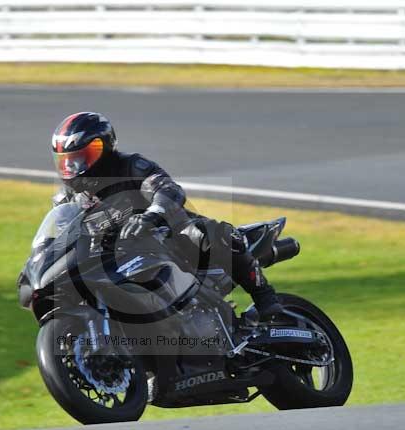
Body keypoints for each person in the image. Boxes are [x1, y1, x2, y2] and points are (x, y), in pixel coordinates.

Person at [50, 111, 282, 321]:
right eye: (68, 160)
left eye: (84, 156)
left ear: (106, 146)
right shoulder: (68, 199)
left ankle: (264, 296)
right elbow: (61, 233)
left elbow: (168, 190)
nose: (74, 166)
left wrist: (152, 215)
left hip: (165, 239)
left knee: (209, 233)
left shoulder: (132, 167)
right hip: (115, 259)